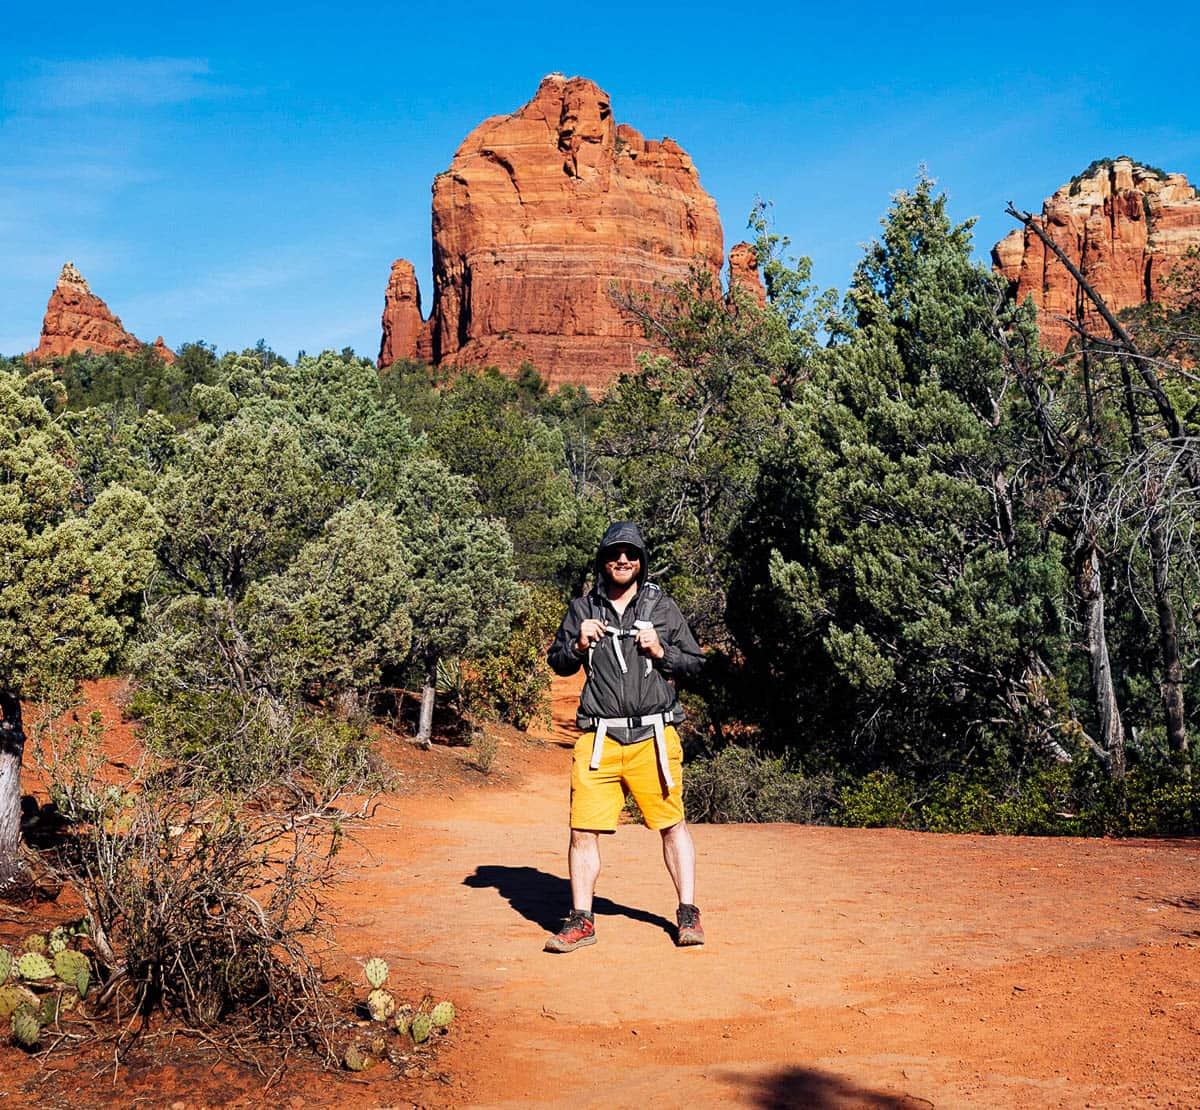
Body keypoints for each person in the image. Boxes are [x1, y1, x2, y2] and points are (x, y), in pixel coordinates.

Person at [544, 521, 705, 952]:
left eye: (630, 554)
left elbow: (696, 664)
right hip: (599, 739)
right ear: (603, 559)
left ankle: (688, 912)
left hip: (653, 736)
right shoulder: (583, 608)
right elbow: (557, 663)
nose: (622, 560)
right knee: (583, 830)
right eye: (615, 553)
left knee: (672, 824)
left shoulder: (662, 607)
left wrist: (662, 651)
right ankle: (582, 920)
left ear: (640, 560)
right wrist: (577, 646)